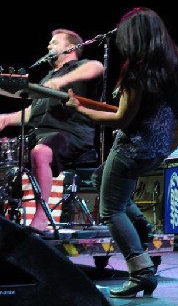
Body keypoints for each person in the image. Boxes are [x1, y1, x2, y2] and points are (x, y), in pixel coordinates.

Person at [65, 7, 178, 298]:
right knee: (98, 177)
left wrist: (80, 110)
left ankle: (141, 272)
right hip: (159, 148)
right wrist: (168, 106)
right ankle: (141, 227)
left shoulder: (138, 70)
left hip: (132, 148)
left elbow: (120, 120)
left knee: (111, 211)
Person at [0, 28, 104, 232]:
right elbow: (33, 112)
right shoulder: (48, 77)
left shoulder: (81, 67)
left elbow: (97, 66)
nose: (49, 46)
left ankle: (41, 217)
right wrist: (6, 119)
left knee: (41, 152)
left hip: (71, 133)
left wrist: (61, 81)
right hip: (41, 133)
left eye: (55, 42)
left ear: (70, 47)